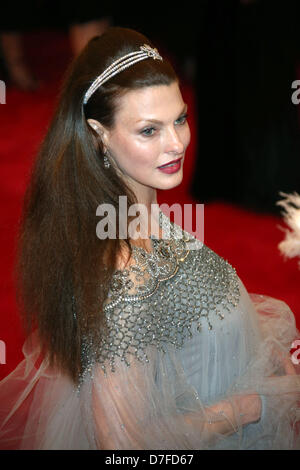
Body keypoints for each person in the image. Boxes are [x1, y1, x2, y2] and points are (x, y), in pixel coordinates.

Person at [0, 27, 300, 450]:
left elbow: (181, 311)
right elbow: (122, 445)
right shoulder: (121, 272)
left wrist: (260, 352)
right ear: (98, 134)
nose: (176, 144)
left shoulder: (135, 209)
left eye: (180, 119)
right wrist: (249, 407)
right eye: (149, 131)